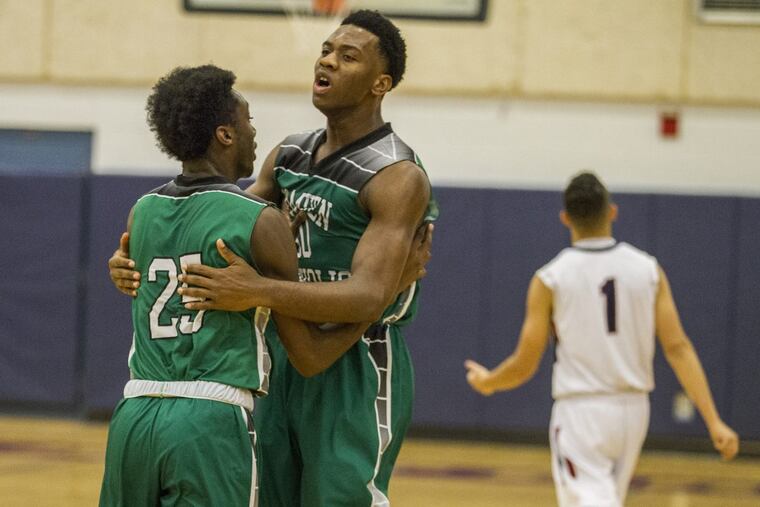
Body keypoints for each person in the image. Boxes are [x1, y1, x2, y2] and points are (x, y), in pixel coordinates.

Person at [108, 10, 437, 507]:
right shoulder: (289, 154)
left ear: (380, 83)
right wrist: (131, 254)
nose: (327, 61)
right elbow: (225, 219)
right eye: (326, 50)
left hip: (356, 361)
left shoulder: (395, 174)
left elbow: (367, 296)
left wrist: (260, 290)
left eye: (348, 57)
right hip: (279, 351)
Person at [99, 64, 372, 507]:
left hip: (133, 414)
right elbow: (308, 355)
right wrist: (378, 301)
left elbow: (140, 263)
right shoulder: (261, 221)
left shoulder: (142, 212)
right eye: (249, 123)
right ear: (225, 134)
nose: (255, 135)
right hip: (210, 420)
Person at [464, 172, 739, 506]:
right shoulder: (648, 269)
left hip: (581, 413)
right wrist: (714, 421)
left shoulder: (550, 278)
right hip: (635, 411)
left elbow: (525, 362)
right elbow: (678, 347)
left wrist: (490, 382)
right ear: (612, 211)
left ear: (565, 218)